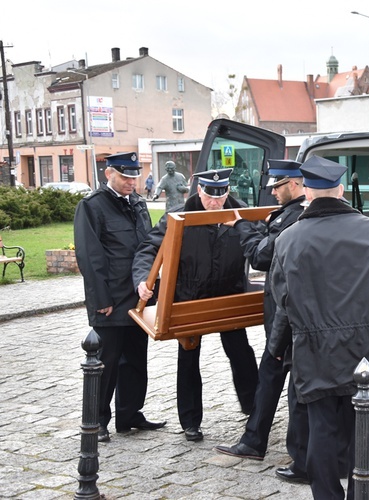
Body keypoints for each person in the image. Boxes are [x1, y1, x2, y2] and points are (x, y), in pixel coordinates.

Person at [266, 156, 369, 500]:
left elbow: (282, 298)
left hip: (315, 350)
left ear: (307, 193)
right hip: (368, 347)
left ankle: (327, 494)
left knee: (320, 427)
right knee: (363, 422)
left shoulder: (288, 239)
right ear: (342, 190)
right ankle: (362, 493)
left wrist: (281, 344)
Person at [132, 168, 259, 442]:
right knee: (188, 358)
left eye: (221, 196)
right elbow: (149, 249)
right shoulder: (178, 216)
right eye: (209, 196)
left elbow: (261, 241)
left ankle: (254, 408)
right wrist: (143, 279)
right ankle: (190, 421)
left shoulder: (241, 213)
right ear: (199, 191)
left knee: (241, 353)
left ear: (227, 191)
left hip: (229, 294)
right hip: (189, 295)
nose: (216, 202)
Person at [214, 160, 308, 476]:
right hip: (291, 316)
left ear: (294, 184)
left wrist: (242, 226)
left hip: (287, 317)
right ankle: (256, 440)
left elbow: (262, 256)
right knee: (271, 375)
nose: (272, 191)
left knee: (284, 379)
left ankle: (290, 452)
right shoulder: (294, 213)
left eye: (277, 186)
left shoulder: (293, 217)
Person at [73, 152, 166, 443]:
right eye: (125, 176)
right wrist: (101, 299)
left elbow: (148, 246)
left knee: (136, 359)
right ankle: (98, 420)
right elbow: (90, 257)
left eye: (134, 176)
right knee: (106, 363)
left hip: (138, 296)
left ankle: (130, 414)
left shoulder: (137, 203)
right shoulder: (92, 206)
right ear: (108, 173)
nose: (130, 182)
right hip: (110, 298)